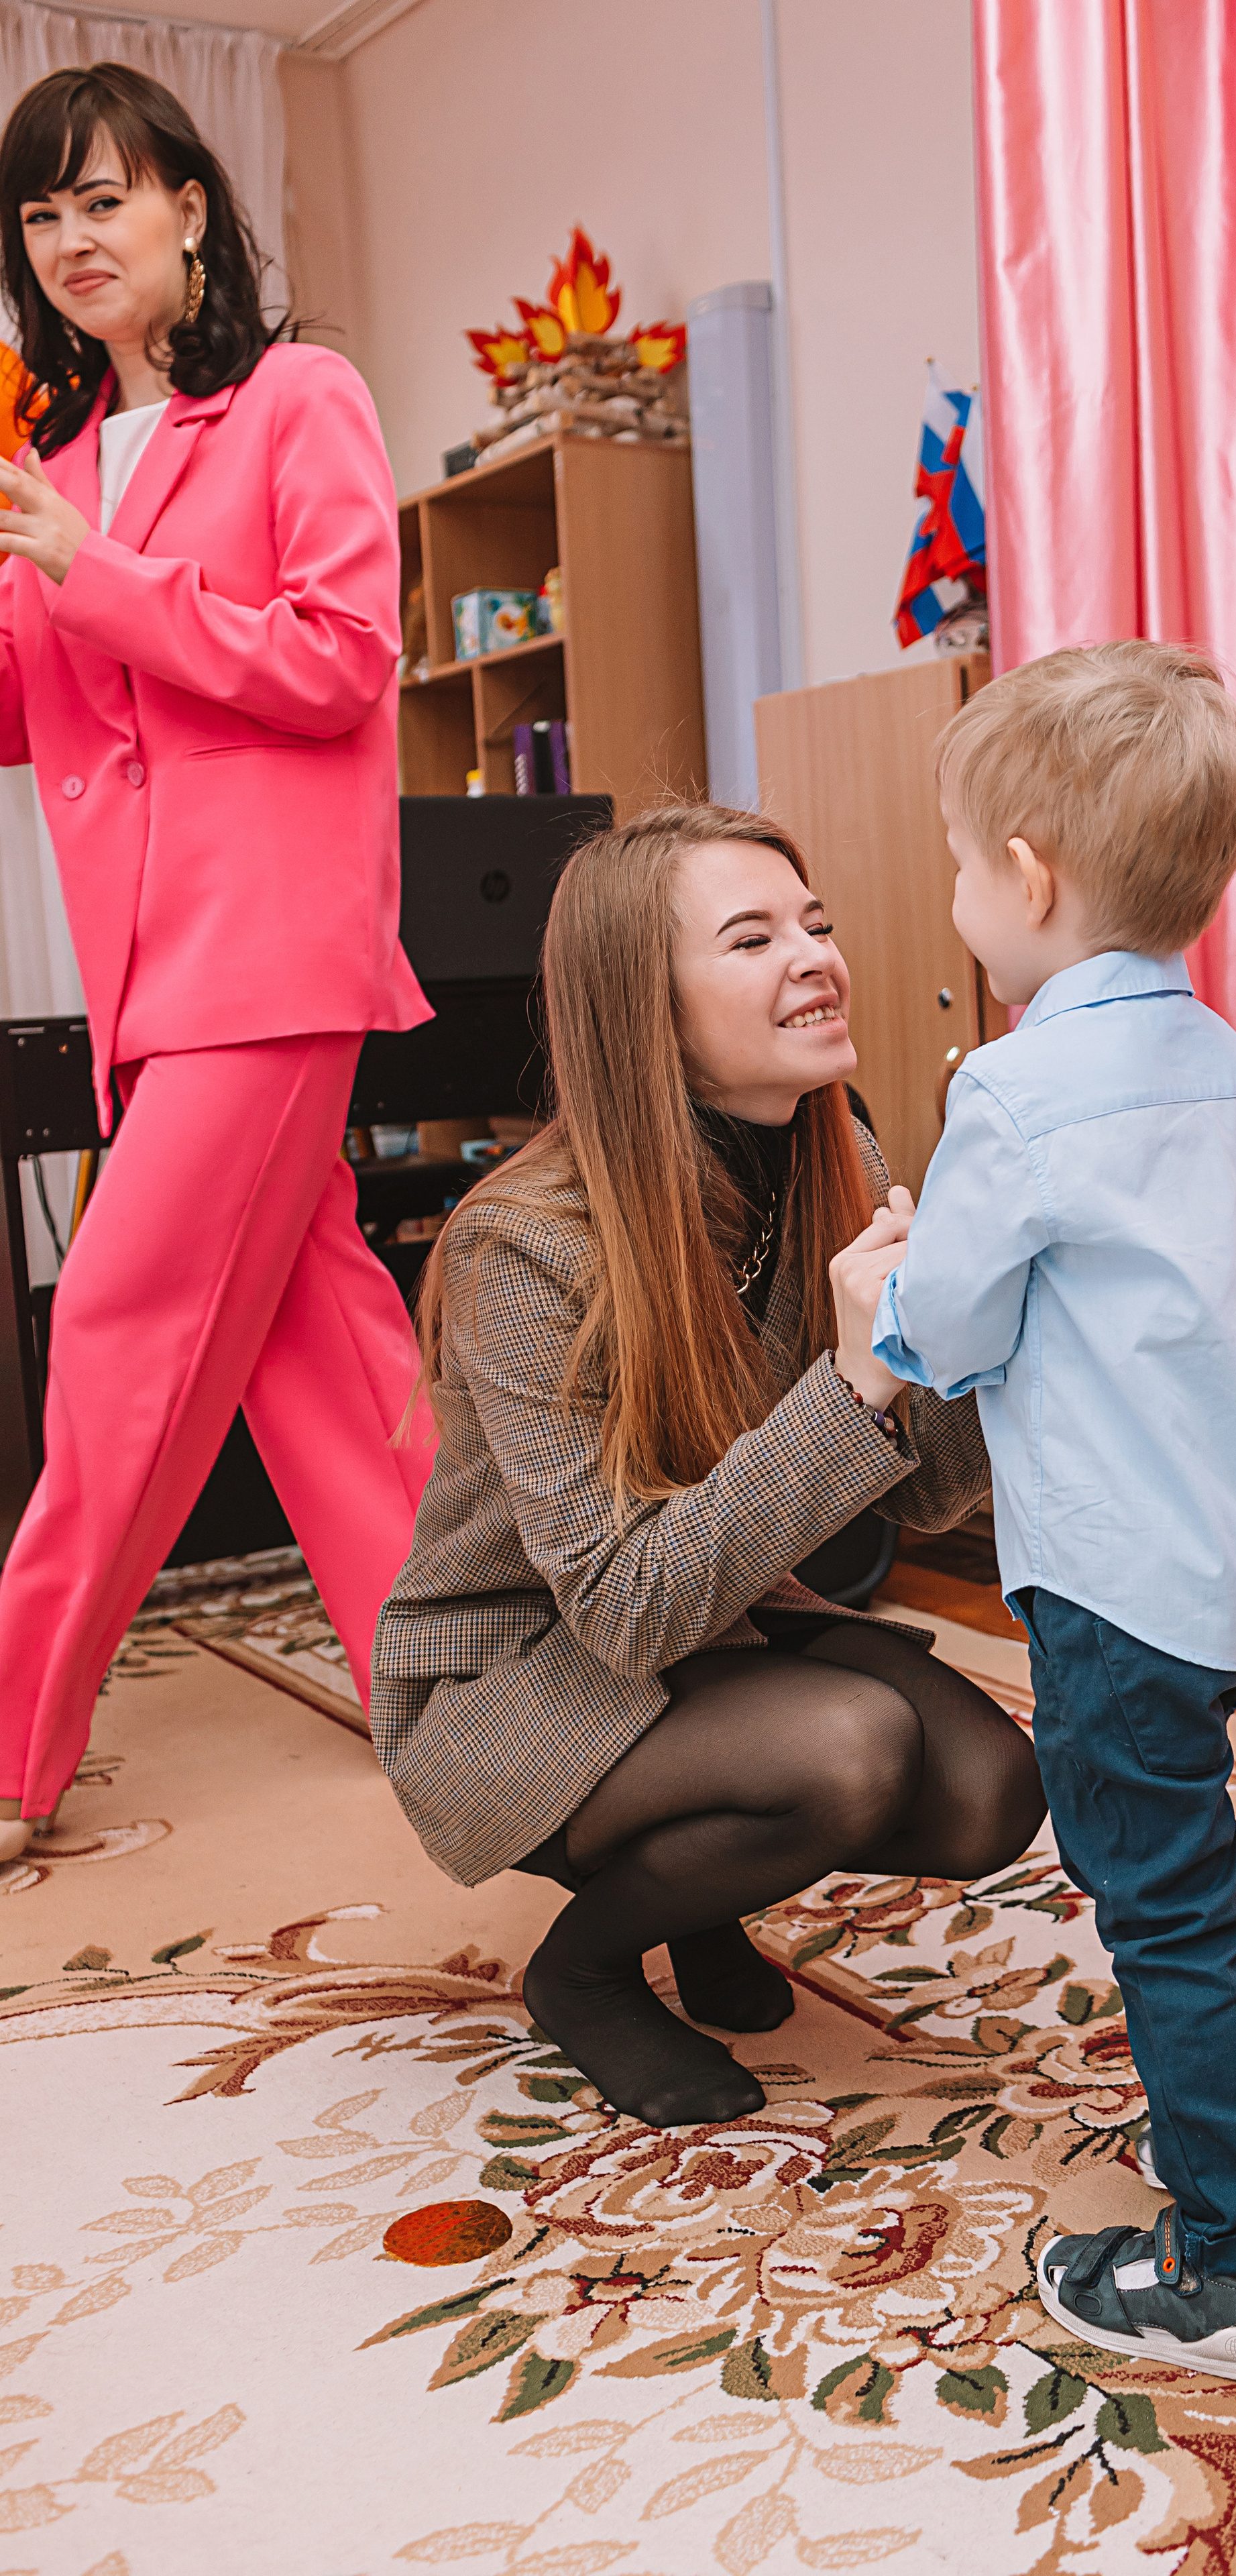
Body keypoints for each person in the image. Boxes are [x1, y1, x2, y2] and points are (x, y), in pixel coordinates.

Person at [372, 803, 1046, 2130]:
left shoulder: (835, 1153)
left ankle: (700, 1890)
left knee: (988, 1793)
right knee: (846, 1752)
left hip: (723, 1625)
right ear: (646, 1013)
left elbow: (922, 1490)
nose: (815, 958)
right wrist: (857, 1380)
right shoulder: (521, 1245)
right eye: (752, 938)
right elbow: (624, 1611)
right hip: (520, 1670)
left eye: (816, 923)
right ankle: (584, 1970)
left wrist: (979, 1324)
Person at [842, 642, 1236, 2385]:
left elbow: (957, 1327)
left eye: (965, 862)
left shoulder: (1019, 1092)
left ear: (1026, 877)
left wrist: (883, 1307)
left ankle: (1235, 2269)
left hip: (1116, 1577)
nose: (964, 893)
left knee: (1158, 1897)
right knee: (1191, 1836)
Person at [0, 64, 433, 1864]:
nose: (71, 239)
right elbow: (44, 726)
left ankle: (14, 1747)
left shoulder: (295, 401)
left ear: (191, 206)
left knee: (112, 1333)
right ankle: (480, 1691)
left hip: (267, 961)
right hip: (153, 983)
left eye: (105, 198)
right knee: (314, 1353)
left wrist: (91, 574)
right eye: (38, 215)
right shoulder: (55, 468)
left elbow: (339, 657)